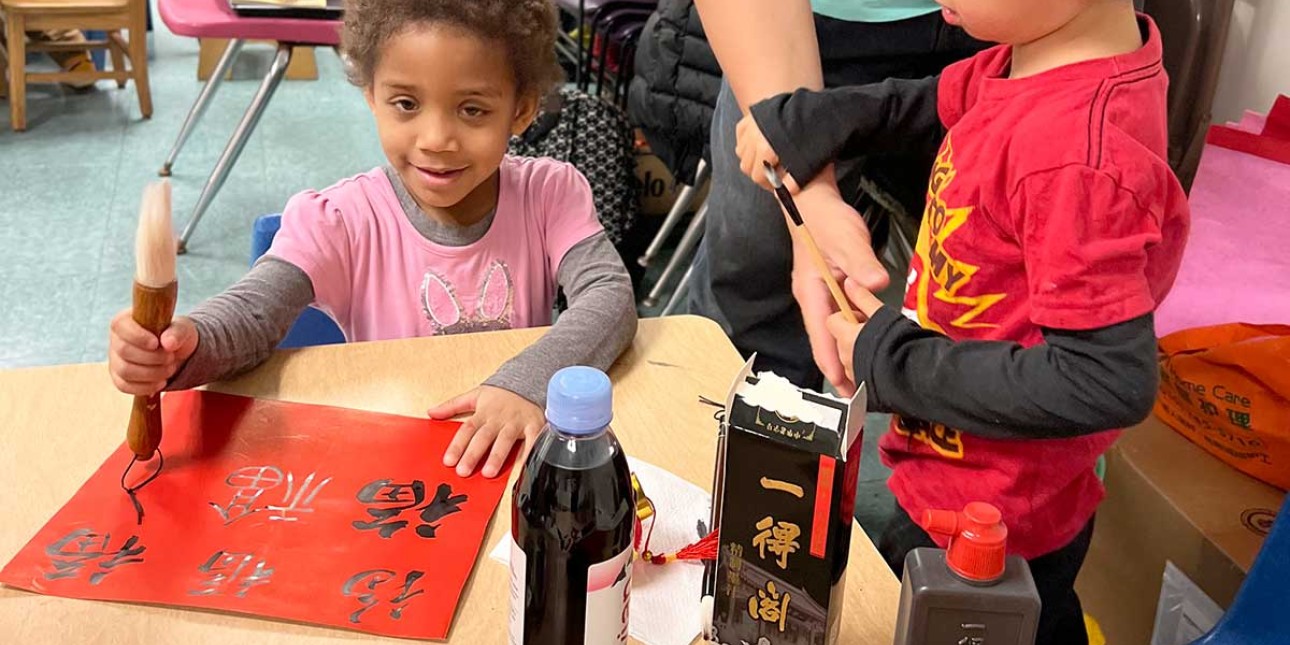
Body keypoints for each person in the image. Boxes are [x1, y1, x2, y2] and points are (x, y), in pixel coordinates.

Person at [736, 1, 1189, 643]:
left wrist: (890, 357)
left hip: (991, 528)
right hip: (952, 465)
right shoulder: (1039, 56)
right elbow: (939, 101)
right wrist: (819, 120)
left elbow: (1104, 379)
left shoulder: (1079, 161)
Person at [106, 0, 637, 480]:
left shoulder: (551, 193)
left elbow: (609, 298)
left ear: (521, 109)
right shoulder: (339, 219)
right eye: (406, 104)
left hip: (514, 463)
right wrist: (183, 347)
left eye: (472, 109)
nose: (435, 140)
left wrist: (529, 383)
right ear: (371, 96)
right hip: (393, 472)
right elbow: (253, 314)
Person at [688, 0, 983, 392]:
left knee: (997, 299)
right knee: (754, 308)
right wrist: (804, 184)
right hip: (799, 30)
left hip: (1017, 34)